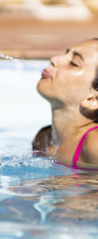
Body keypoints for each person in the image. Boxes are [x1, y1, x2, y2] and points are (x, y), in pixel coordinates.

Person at [33, 39, 98, 169]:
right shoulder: (43, 140)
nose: (55, 59)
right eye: (66, 53)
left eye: (73, 63)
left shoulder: (94, 145)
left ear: (93, 99)